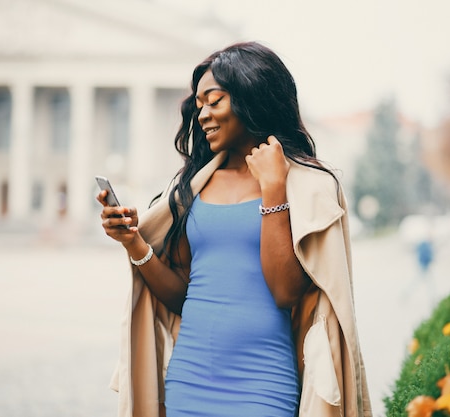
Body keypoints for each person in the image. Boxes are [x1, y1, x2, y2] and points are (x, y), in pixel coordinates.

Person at [97, 41, 372, 417]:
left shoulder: (309, 186)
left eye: (215, 101)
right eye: (199, 106)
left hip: (264, 385)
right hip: (189, 382)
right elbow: (183, 295)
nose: (204, 115)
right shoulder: (191, 187)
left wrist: (273, 188)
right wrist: (134, 243)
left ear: (251, 96)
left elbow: (285, 292)